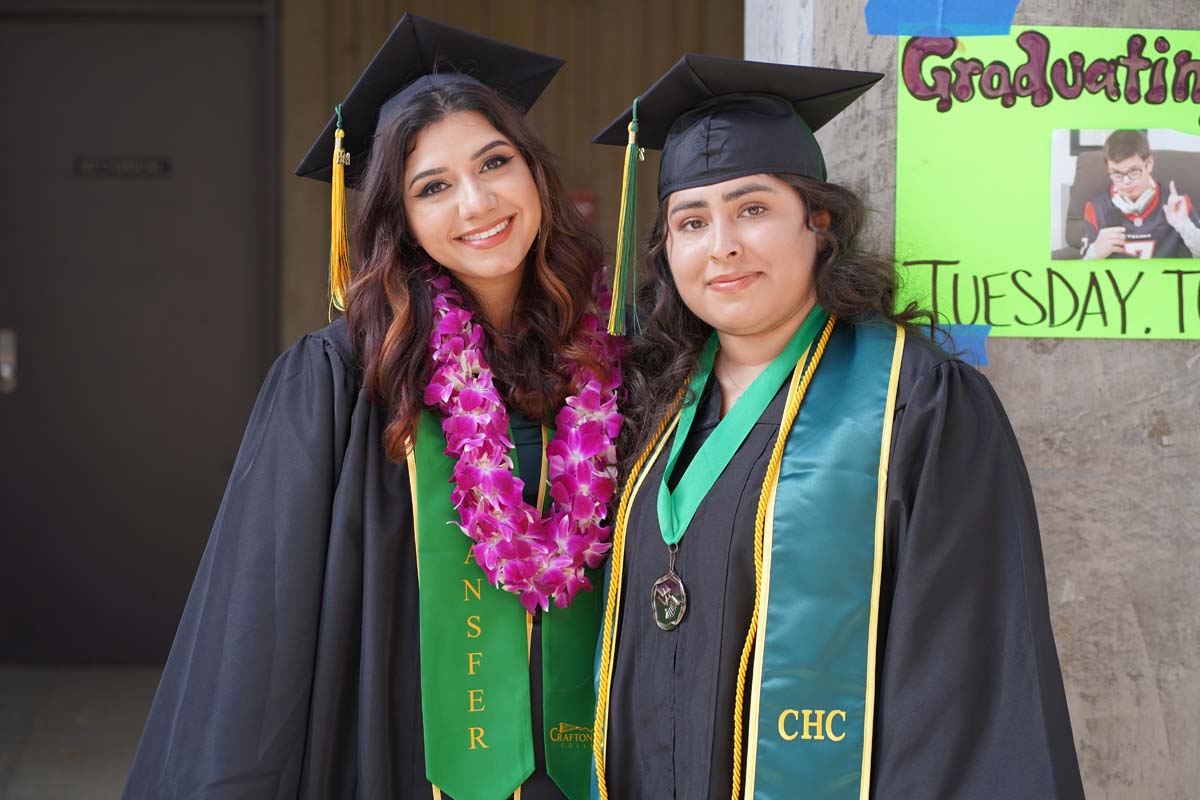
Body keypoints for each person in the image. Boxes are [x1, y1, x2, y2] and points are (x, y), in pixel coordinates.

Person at [124, 15, 621, 800]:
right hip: (399, 760)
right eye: (433, 186)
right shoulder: (339, 378)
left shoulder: (605, 367)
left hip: (581, 764)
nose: (477, 201)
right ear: (402, 220)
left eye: (496, 162)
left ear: (535, 174)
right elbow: (262, 626)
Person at [589, 54, 1085, 799]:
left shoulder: (916, 408)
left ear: (819, 222)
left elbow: (968, 688)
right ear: (669, 251)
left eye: (752, 209)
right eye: (692, 221)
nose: (721, 244)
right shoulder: (646, 409)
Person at [1082, 129, 1200, 259]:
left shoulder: (1177, 204)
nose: (1125, 182)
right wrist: (1095, 253)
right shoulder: (1095, 207)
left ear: (1149, 164)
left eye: (1133, 171)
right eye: (1116, 173)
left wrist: (1184, 225)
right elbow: (1079, 274)